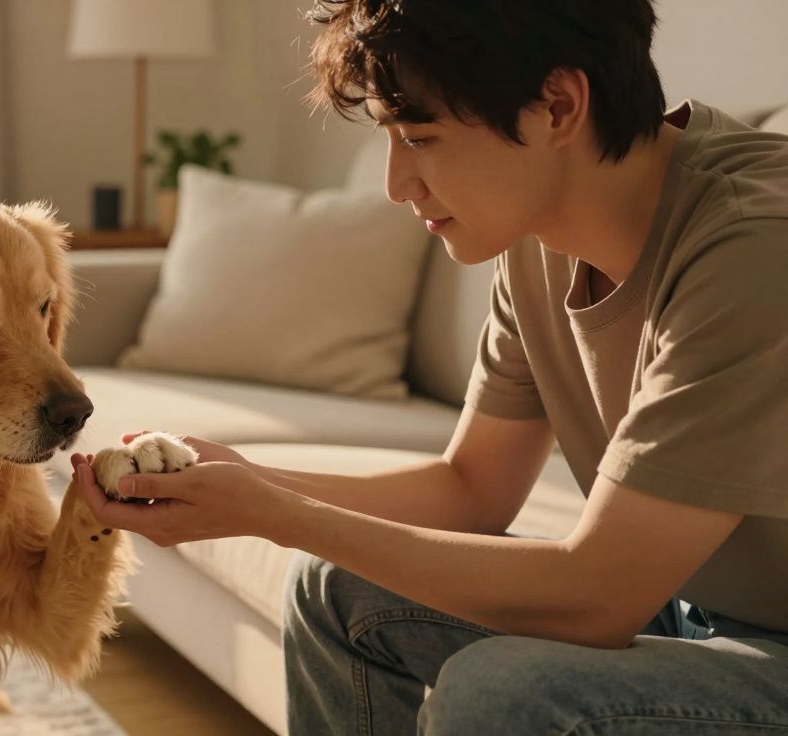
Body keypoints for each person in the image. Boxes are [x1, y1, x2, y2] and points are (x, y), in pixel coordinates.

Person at [70, 0, 788, 733]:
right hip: (695, 609)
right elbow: (471, 489)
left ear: (558, 106)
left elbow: (598, 596)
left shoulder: (754, 244)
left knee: (503, 690)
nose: (395, 183)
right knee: (338, 590)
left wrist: (274, 514)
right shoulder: (536, 230)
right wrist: (245, 480)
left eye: (420, 137)